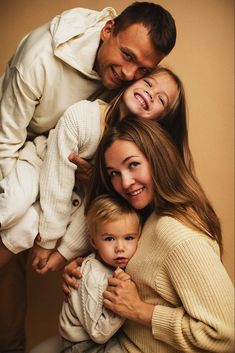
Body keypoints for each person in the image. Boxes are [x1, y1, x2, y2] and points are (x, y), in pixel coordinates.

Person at [0, 3, 176, 351]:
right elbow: (6, 140)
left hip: (59, 189)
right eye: (126, 56)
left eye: (143, 69)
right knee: (15, 214)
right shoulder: (41, 61)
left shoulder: (130, 116)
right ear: (108, 30)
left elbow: (99, 201)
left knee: (21, 230)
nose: (129, 74)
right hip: (17, 156)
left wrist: (61, 249)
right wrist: (36, 221)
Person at [64, 116, 234, 352]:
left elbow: (225, 335)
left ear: (158, 160)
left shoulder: (177, 235)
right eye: (114, 173)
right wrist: (86, 271)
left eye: (133, 164)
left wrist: (139, 310)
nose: (125, 182)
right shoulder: (145, 212)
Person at [0, 66, 189, 274]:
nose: (150, 94)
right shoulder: (83, 117)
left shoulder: (132, 166)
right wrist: (49, 238)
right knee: (13, 204)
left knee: (25, 228)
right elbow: (57, 177)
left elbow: (96, 207)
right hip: (39, 165)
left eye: (161, 99)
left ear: (161, 120)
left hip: (70, 199)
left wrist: (63, 253)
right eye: (148, 83)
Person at [59, 194, 141, 353]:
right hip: (83, 347)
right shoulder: (94, 276)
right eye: (109, 239)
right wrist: (126, 301)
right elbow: (98, 334)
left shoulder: (110, 264)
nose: (120, 248)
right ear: (93, 241)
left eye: (129, 238)